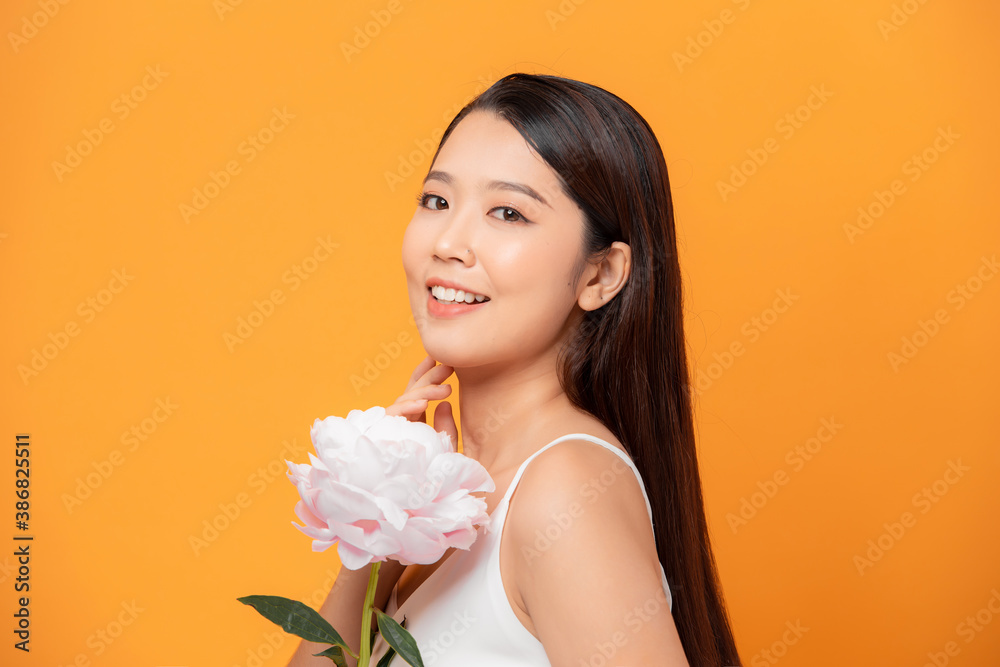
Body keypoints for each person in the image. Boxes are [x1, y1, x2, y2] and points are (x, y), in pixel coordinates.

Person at [288, 72, 742, 666]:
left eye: (507, 212)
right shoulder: (454, 486)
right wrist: (386, 519)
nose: (448, 241)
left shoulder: (565, 490)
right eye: (437, 200)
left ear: (600, 275)